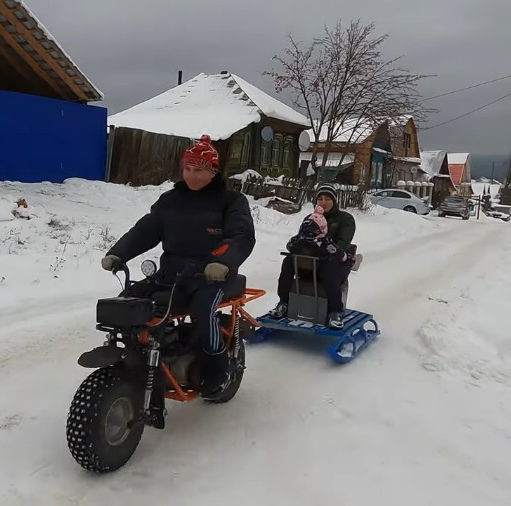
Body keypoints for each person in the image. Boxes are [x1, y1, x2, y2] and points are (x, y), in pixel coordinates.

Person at [100, 134, 256, 396]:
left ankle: (216, 367)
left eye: (199, 170)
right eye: (188, 169)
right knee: (126, 301)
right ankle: (134, 358)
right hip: (172, 274)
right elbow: (145, 231)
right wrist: (118, 254)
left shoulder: (231, 202)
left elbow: (242, 237)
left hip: (213, 277)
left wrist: (223, 262)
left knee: (202, 308)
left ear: (213, 172)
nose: (192, 175)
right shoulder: (169, 201)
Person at [268, 184, 355, 329]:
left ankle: (335, 312)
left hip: (334, 263)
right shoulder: (310, 218)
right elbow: (300, 240)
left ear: (334, 201)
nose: (323, 202)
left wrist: (324, 243)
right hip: (310, 263)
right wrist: (298, 241)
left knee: (329, 266)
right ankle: (283, 303)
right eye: (320, 199)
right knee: (289, 261)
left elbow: (342, 244)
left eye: (327, 199)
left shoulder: (345, 219)